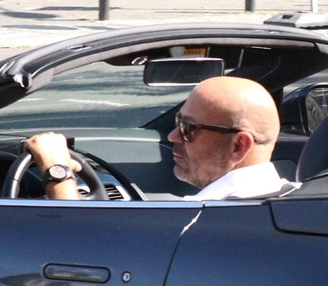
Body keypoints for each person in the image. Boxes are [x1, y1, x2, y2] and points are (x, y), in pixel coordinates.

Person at [21, 75, 287, 201]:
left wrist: (58, 172)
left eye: (187, 128)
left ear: (238, 146)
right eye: (177, 122)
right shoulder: (294, 198)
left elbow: (80, 250)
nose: (172, 136)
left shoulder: (204, 220)